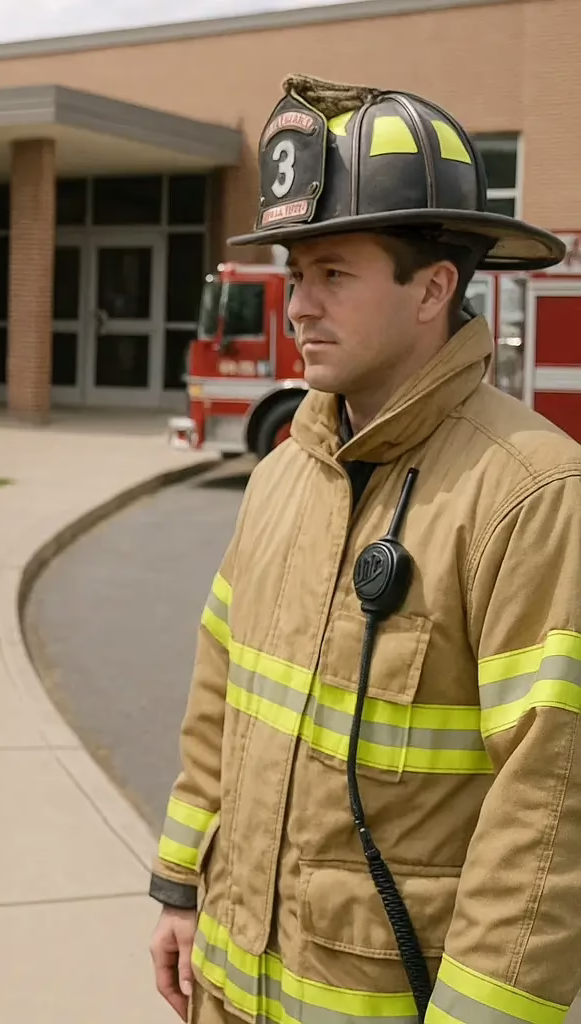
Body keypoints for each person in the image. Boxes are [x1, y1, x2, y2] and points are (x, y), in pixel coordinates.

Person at [147, 72, 581, 1024]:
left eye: (333, 274)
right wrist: (182, 885)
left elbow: (549, 804)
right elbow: (220, 695)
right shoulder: (280, 476)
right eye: (296, 274)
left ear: (433, 288)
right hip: (229, 981)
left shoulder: (532, 492)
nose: (298, 305)